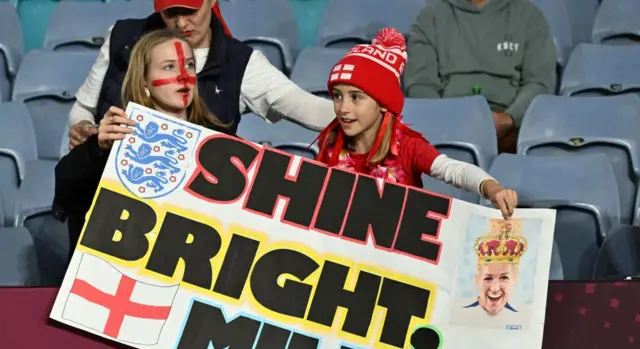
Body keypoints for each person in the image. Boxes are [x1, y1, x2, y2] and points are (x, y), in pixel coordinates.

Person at [55, 29, 227, 262]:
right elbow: (67, 196)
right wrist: (97, 149)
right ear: (145, 82)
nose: (183, 76)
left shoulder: (219, 142)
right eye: (169, 67)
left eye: (189, 65)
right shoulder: (114, 137)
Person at [67, 0, 334, 149]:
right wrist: (83, 129)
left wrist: (367, 113)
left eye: (191, 10)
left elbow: (304, 107)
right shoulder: (122, 37)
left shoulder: (241, 63)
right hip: (104, 198)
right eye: (172, 13)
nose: (182, 23)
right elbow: (83, 108)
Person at [314, 27, 518, 218]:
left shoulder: (408, 147)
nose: (343, 108)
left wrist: (493, 189)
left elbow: (454, 170)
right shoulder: (330, 143)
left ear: (384, 103)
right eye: (338, 96)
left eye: (356, 97)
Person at [403, 0, 557, 153]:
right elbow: (420, 83)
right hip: (445, 125)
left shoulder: (530, 16)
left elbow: (539, 82)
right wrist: (445, 122)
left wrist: (509, 119)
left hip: (510, 125)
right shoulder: (430, 17)